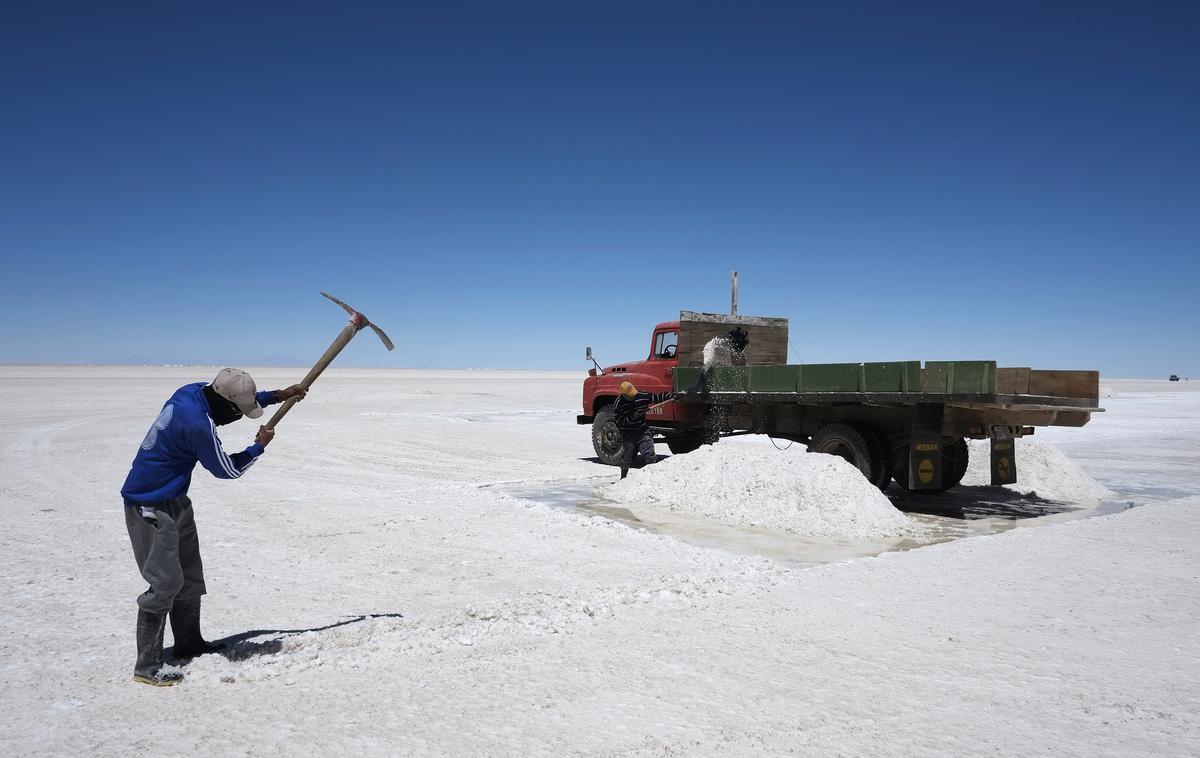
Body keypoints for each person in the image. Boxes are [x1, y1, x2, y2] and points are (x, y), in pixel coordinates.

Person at [120, 367, 306, 686]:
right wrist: (258, 447)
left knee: (190, 576)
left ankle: (189, 643)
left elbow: (226, 408)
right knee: (165, 582)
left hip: (175, 498)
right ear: (225, 402)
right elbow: (227, 470)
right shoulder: (198, 426)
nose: (238, 414)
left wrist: (276, 396)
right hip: (148, 504)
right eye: (239, 409)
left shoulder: (193, 392)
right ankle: (147, 665)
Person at [613, 380, 672, 479]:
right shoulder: (619, 403)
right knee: (627, 456)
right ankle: (623, 478)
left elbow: (656, 397)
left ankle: (652, 478)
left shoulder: (641, 395)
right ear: (623, 395)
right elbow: (619, 422)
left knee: (649, 453)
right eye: (630, 396)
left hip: (642, 429)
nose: (633, 396)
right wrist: (633, 417)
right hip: (628, 432)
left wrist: (669, 396)